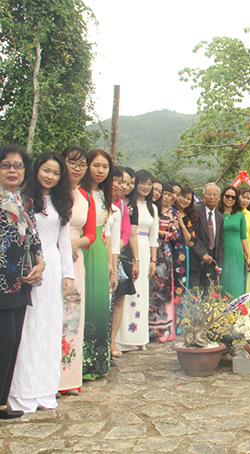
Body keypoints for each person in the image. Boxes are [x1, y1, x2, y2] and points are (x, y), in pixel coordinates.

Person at [9, 152, 74, 413]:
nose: (50, 176)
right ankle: (22, 392)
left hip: (55, 267)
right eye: (46, 170)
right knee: (27, 330)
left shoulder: (61, 201)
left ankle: (46, 390)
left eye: (56, 173)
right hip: (29, 268)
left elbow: (65, 241)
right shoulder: (24, 199)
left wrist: (68, 274)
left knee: (49, 329)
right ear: (37, 170)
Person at [0, 145, 45, 420]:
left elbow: (35, 237)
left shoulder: (25, 201)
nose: (13, 170)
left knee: (13, 340)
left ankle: (2, 402)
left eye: (17, 166)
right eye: (6, 165)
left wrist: (41, 263)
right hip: (1, 282)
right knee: (3, 340)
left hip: (22, 282)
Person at [58, 145, 95, 395]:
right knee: (52, 316)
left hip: (76, 259)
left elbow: (90, 232)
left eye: (82, 164)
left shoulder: (86, 196)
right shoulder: (51, 193)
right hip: (54, 259)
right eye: (73, 162)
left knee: (72, 317)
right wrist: (61, 246)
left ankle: (68, 379)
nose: (77, 168)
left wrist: (76, 243)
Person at [79, 149, 119, 379]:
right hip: (83, 251)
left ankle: (96, 362)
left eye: (105, 167)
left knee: (99, 306)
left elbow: (108, 234)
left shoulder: (105, 197)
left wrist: (112, 266)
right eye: (96, 165)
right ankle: (78, 364)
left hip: (100, 253)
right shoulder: (78, 193)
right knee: (82, 306)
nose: (100, 170)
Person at [116, 170, 158, 352]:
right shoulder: (128, 205)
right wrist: (136, 258)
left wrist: (153, 260)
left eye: (149, 184)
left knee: (142, 294)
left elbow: (154, 236)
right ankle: (122, 337)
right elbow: (130, 232)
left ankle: (139, 336)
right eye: (142, 183)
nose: (146, 187)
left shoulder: (153, 208)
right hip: (130, 249)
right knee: (128, 293)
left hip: (145, 250)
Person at [110, 167, 139, 358]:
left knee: (119, 298)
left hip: (118, 256)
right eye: (119, 181)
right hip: (99, 254)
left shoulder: (122, 205)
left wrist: (114, 248)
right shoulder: (95, 200)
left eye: (126, 183)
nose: (123, 186)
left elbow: (127, 232)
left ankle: (111, 342)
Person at [149, 182, 179, 342]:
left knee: (163, 291)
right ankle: (147, 330)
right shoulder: (150, 208)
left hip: (164, 254)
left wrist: (160, 233)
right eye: (163, 194)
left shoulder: (171, 214)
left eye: (169, 194)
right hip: (147, 250)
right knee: (149, 291)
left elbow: (175, 235)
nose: (166, 197)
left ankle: (163, 331)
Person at [218, 186, 250, 298]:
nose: (230, 199)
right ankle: (221, 313)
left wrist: (248, 256)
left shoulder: (240, 215)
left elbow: (244, 237)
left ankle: (237, 313)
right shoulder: (216, 214)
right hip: (221, 253)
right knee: (222, 282)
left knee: (236, 283)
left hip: (236, 253)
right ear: (222, 197)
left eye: (233, 197)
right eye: (227, 196)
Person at [190, 183, 224, 292]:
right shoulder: (195, 210)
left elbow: (220, 242)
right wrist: (202, 254)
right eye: (208, 194)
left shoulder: (219, 216)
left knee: (205, 293)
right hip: (195, 259)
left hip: (210, 262)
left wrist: (219, 265)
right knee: (193, 292)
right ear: (203, 196)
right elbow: (192, 234)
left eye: (215, 194)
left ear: (219, 198)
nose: (212, 197)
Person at [172, 185, 197, 301]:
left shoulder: (190, 217)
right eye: (183, 196)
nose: (185, 200)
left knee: (180, 284)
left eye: (188, 199)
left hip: (182, 254)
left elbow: (189, 240)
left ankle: (180, 316)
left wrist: (181, 224)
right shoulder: (169, 211)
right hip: (168, 250)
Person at [237, 186, 250, 293]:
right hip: (232, 252)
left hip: (246, 255)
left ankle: (245, 309)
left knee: (245, 285)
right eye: (243, 197)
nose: (245, 200)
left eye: (248, 198)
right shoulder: (229, 214)